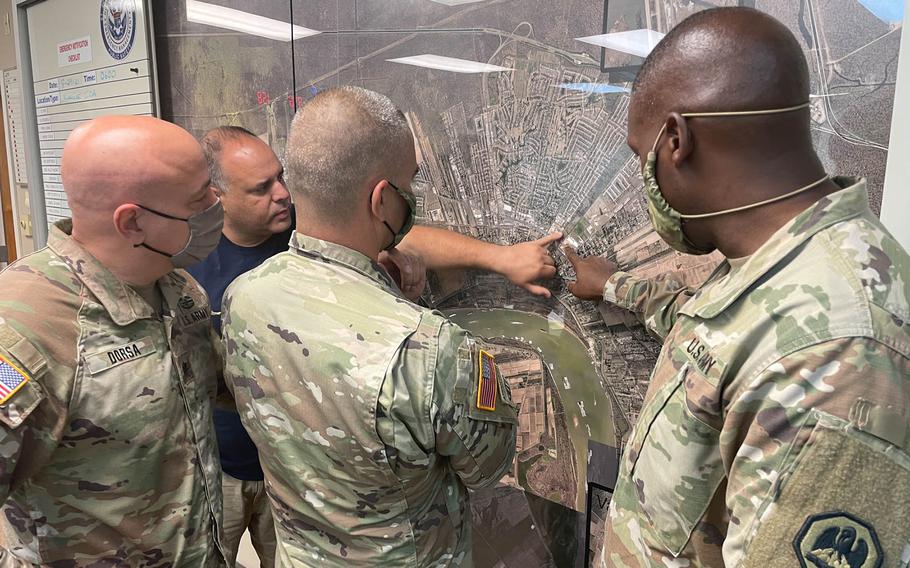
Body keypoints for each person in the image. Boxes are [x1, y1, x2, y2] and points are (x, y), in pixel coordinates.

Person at [565, 7, 910, 567]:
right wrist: (615, 286)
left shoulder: (840, 352)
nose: (644, 177)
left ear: (676, 140)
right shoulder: (779, 260)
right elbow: (722, 336)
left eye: (640, 156)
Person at [191, 125, 559, 567]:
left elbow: (410, 241)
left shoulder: (244, 293)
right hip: (242, 470)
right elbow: (485, 466)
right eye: (261, 187)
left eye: (282, 178)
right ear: (381, 199)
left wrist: (496, 258)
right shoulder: (430, 348)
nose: (281, 194)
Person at [0, 116, 227, 565]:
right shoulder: (26, 330)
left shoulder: (177, 288)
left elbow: (220, 386)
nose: (217, 204)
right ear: (133, 223)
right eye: (200, 197)